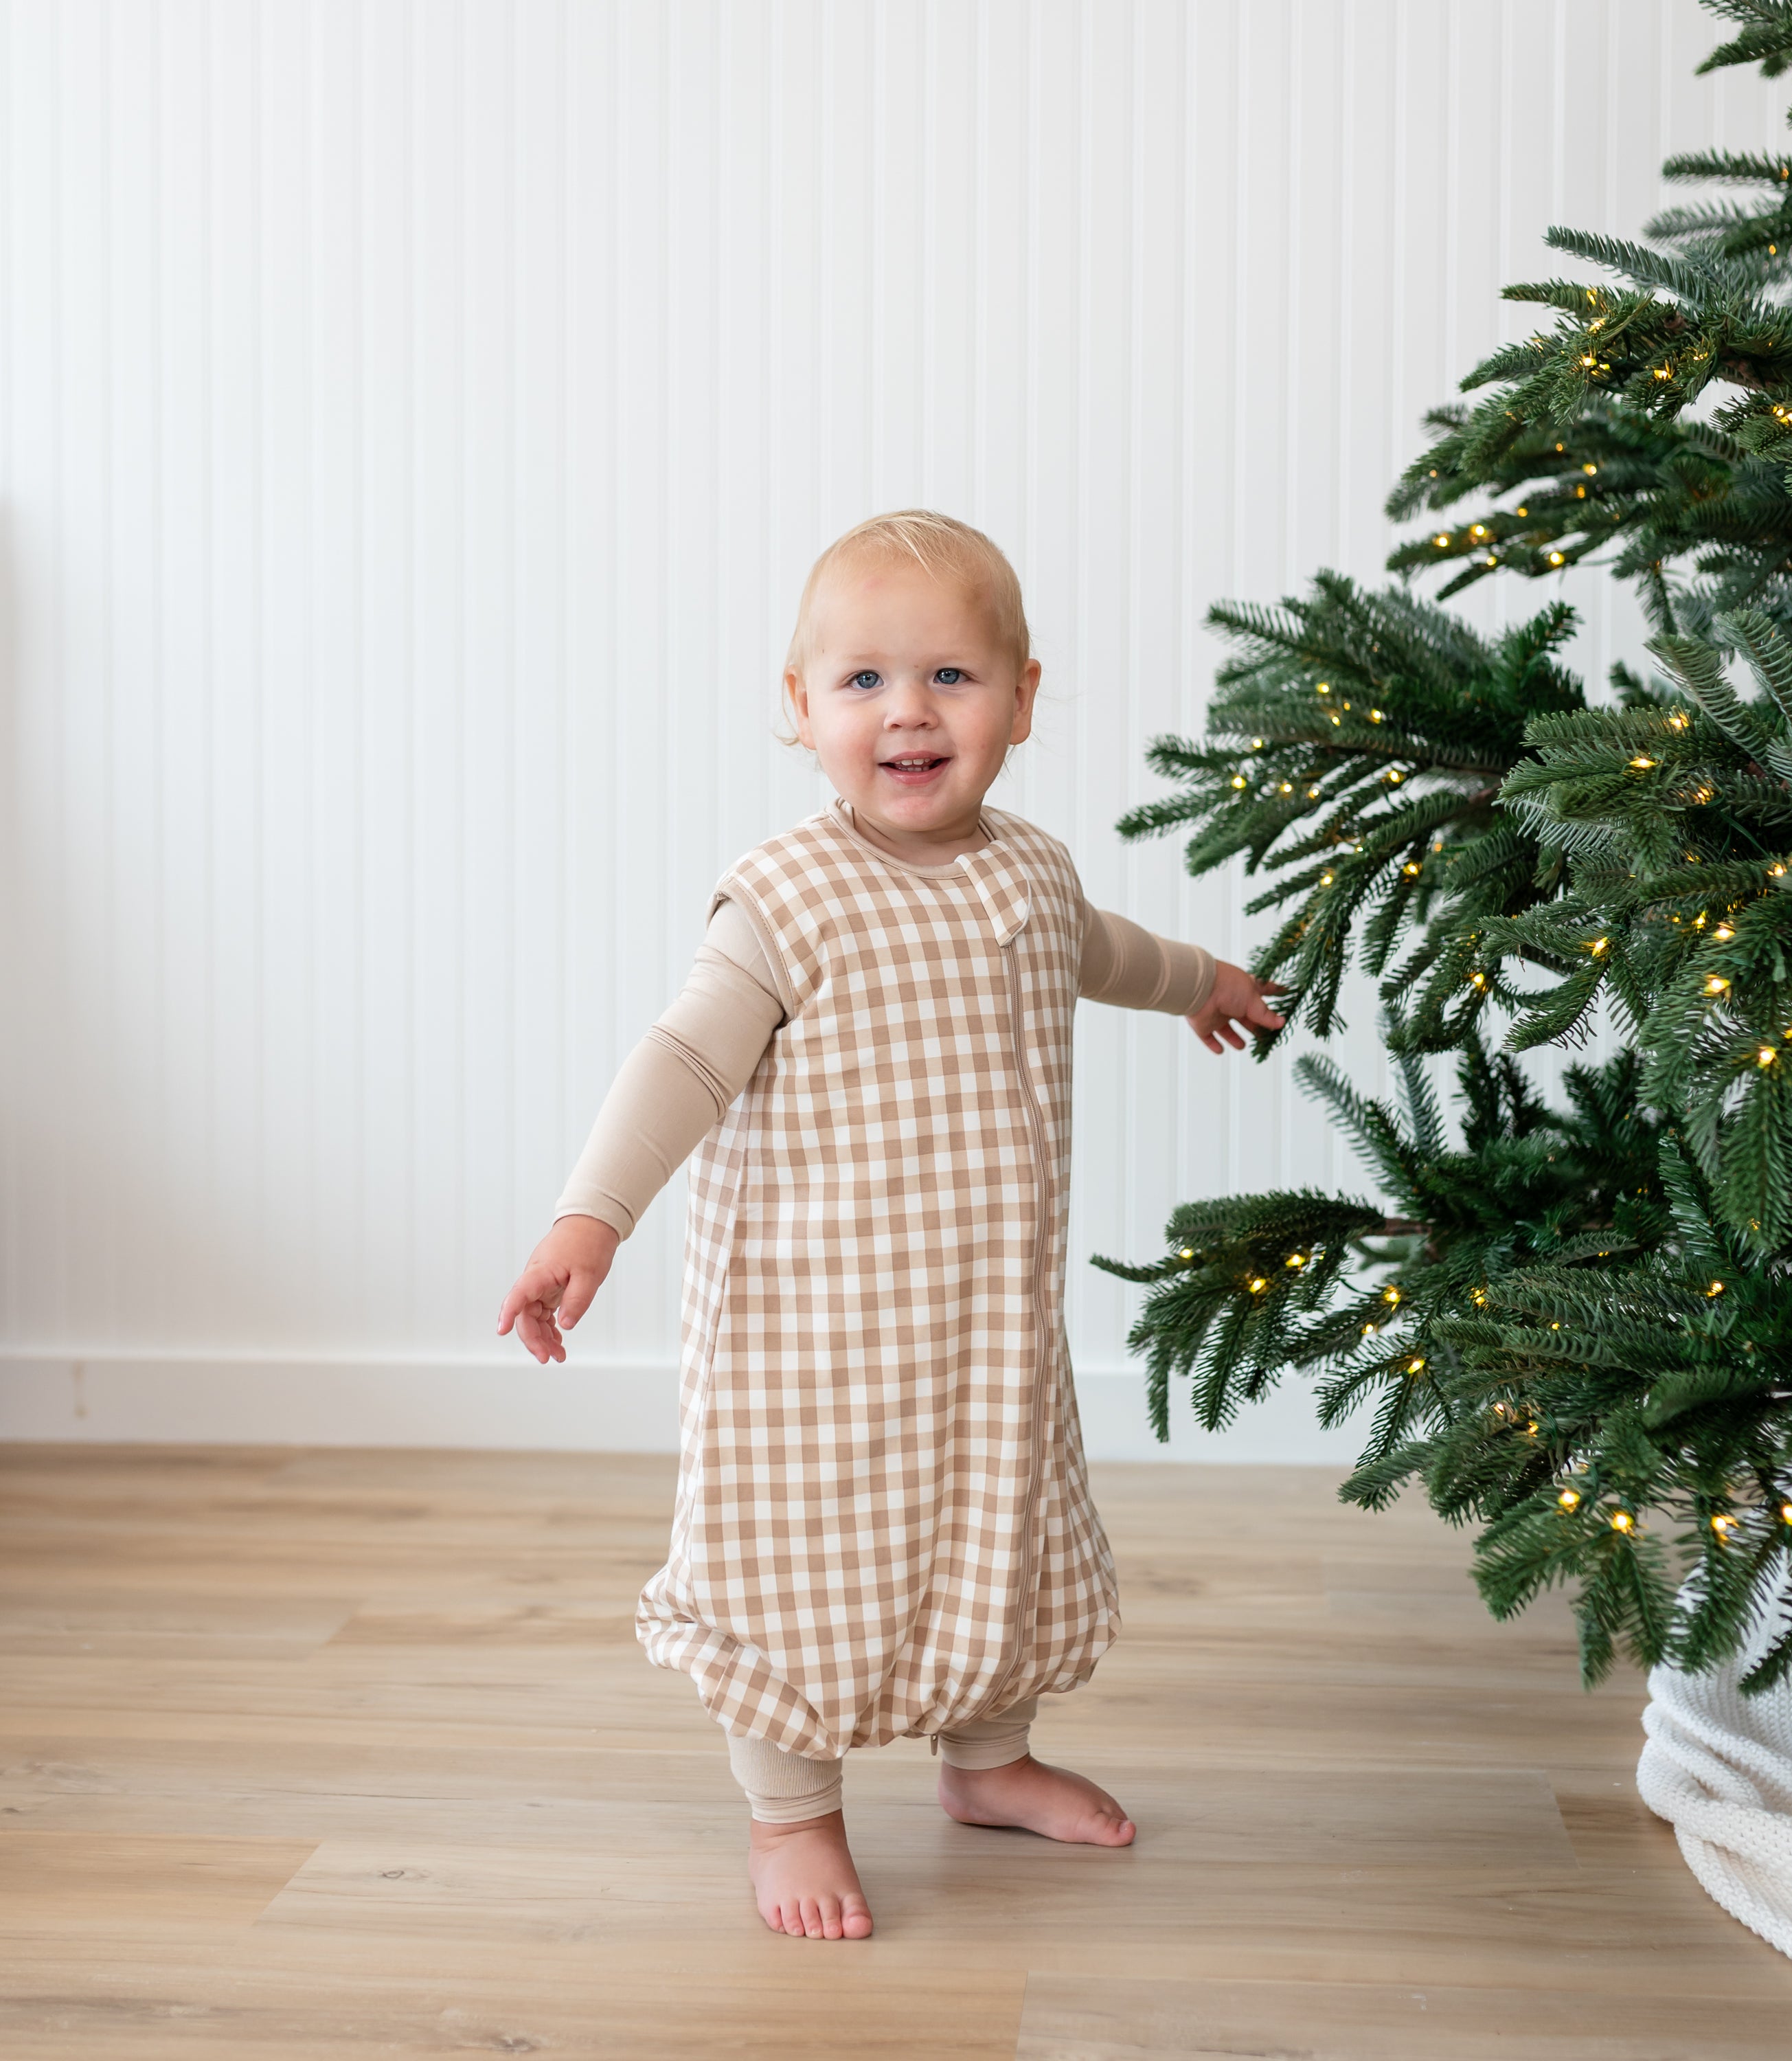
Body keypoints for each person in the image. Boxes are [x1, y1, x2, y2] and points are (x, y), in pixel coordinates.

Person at [497, 510, 1285, 1941]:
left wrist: (1204, 979)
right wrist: (590, 1217)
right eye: (861, 681)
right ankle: (791, 1815)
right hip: (816, 1339)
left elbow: (1102, 948)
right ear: (800, 712)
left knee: (1001, 1532)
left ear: (1023, 700)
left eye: (950, 679)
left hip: (986, 1324)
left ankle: (988, 1765)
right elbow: (681, 1060)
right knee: (806, 1559)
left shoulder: (1030, 872)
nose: (907, 712)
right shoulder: (788, 900)